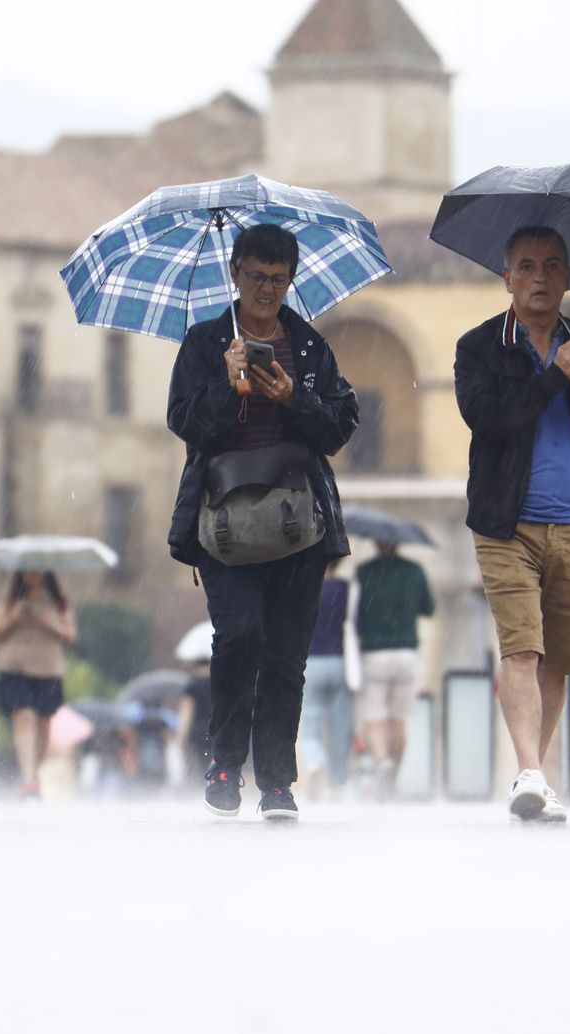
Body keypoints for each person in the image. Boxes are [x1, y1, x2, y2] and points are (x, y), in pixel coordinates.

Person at [165, 223, 359, 822]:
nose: (266, 290)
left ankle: (276, 780)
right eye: (256, 277)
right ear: (235, 273)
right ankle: (224, 764)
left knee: (285, 656)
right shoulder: (203, 344)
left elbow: (340, 424)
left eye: (278, 279)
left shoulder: (308, 348)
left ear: (291, 279)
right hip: (223, 522)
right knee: (240, 636)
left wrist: (291, 398)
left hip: (297, 524)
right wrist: (226, 387)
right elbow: (185, 423)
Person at [453, 225, 570, 824]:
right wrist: (554, 376)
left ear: (568, 279)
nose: (539, 277)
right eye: (526, 266)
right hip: (506, 523)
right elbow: (491, 417)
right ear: (506, 278)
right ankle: (529, 770)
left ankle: (537, 773)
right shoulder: (480, 346)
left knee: (558, 656)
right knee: (522, 647)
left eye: (552, 266)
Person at [355, 542, 435, 799]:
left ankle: (381, 760)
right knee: (399, 720)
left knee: (375, 715)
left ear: (376, 543)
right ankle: (393, 778)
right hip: (406, 652)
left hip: (374, 652)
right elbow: (429, 608)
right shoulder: (415, 571)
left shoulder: (364, 571)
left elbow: (356, 615)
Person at [0, 571, 76, 800]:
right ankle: (27, 779)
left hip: (48, 669)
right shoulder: (9, 598)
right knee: (23, 716)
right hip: (15, 667)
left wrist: (48, 622)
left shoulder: (58, 600)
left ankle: (36, 775)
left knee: (44, 724)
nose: (31, 575)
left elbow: (69, 634)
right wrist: (13, 617)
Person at [296, 559, 355, 800]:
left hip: (311, 661)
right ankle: (337, 782)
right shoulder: (345, 588)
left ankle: (314, 762)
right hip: (340, 662)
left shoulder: (302, 586)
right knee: (340, 725)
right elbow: (355, 621)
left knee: (310, 723)